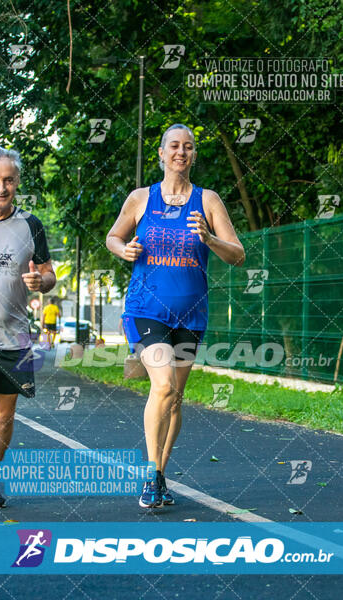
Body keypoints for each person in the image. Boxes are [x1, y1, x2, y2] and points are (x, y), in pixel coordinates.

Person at [106, 124, 245, 508]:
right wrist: (124, 251)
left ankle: (160, 475)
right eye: (174, 146)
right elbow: (112, 237)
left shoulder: (209, 200)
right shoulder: (141, 198)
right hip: (146, 309)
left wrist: (210, 239)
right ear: (162, 154)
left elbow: (237, 254)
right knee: (163, 385)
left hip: (190, 314)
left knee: (176, 397)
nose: (180, 152)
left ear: (193, 155)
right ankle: (151, 476)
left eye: (188, 147)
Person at [0, 147, 56, 508]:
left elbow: (49, 273)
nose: (1, 187)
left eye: (8, 180)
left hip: (16, 338)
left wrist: (42, 282)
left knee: (4, 415)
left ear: (17, 182)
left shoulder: (30, 225)